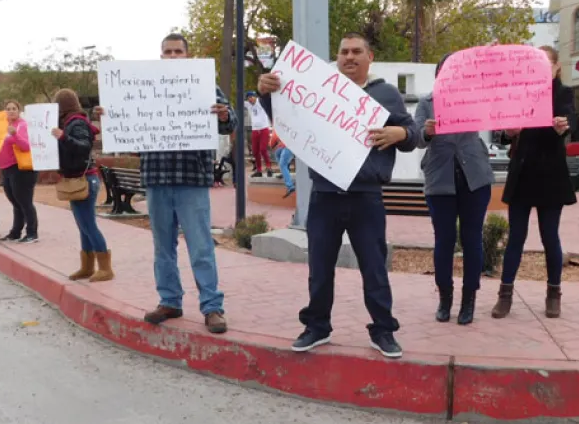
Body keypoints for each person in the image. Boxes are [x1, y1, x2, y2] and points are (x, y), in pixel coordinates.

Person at [257, 32, 418, 358]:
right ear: (338, 57)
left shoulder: (386, 93)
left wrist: (399, 132)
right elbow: (287, 116)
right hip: (325, 195)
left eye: (357, 51)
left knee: (374, 267)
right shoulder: (318, 89)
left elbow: (413, 134)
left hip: (366, 197)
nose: (349, 57)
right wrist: (265, 94)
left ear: (369, 56)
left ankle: (383, 330)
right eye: (344, 51)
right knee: (319, 267)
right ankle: (317, 326)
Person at [139, 33, 237, 334]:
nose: (172, 56)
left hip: (191, 178)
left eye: (177, 51)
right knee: (162, 247)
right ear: (160, 56)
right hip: (156, 177)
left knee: (200, 245)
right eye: (167, 52)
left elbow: (230, 121)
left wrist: (223, 115)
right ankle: (170, 300)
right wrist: (110, 116)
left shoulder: (204, 84)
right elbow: (128, 122)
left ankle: (212, 306)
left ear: (187, 54)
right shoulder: (144, 86)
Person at [492, 45, 576, 319]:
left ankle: (554, 293)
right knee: (516, 236)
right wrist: (508, 131)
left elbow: (570, 119)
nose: (539, 69)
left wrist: (563, 126)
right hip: (523, 173)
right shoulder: (520, 92)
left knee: (550, 237)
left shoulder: (563, 93)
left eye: (545, 64)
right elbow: (503, 132)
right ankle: (505, 295)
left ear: (556, 67)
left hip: (551, 175)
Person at [415, 54, 495, 325]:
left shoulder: (476, 97)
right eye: (445, 72)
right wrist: (426, 132)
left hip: (475, 177)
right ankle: (445, 298)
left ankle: (469, 299)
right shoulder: (426, 104)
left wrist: (490, 57)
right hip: (440, 181)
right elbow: (416, 139)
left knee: (472, 239)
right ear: (438, 75)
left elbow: (497, 97)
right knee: (444, 241)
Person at [52, 89, 114, 283]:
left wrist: (63, 137)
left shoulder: (76, 123)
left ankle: (105, 267)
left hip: (84, 179)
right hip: (77, 178)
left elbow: (83, 147)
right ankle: (87, 266)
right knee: (83, 225)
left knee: (88, 224)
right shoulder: (70, 122)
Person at [0, 100, 39, 243]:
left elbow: (26, 146)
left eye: (14, 108)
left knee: (24, 201)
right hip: (6, 169)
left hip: (20, 168)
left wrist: (15, 135)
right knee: (15, 201)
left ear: (19, 110)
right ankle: (15, 232)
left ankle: (32, 232)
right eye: (8, 108)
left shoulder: (22, 125)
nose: (11, 111)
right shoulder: (3, 126)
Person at [246, 91, 272, 178]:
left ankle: (269, 167)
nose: (250, 99)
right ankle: (259, 170)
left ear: (255, 97)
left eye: (252, 97)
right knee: (255, 151)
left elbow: (265, 98)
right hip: (255, 130)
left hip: (264, 129)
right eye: (249, 98)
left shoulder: (261, 102)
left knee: (263, 149)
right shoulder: (248, 105)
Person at [269, 128, 295, 198]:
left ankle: (290, 186)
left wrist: (272, 144)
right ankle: (284, 172)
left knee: (282, 164)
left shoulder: (278, 125)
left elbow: (273, 139)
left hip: (289, 146)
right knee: (277, 153)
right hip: (286, 146)